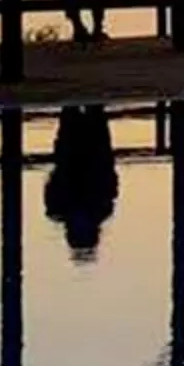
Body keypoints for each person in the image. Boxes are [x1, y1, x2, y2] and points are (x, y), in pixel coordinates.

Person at [44, 104, 118, 258]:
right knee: (82, 117)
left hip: (82, 160)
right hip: (86, 160)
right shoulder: (100, 210)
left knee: (80, 117)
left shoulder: (101, 211)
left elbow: (111, 184)